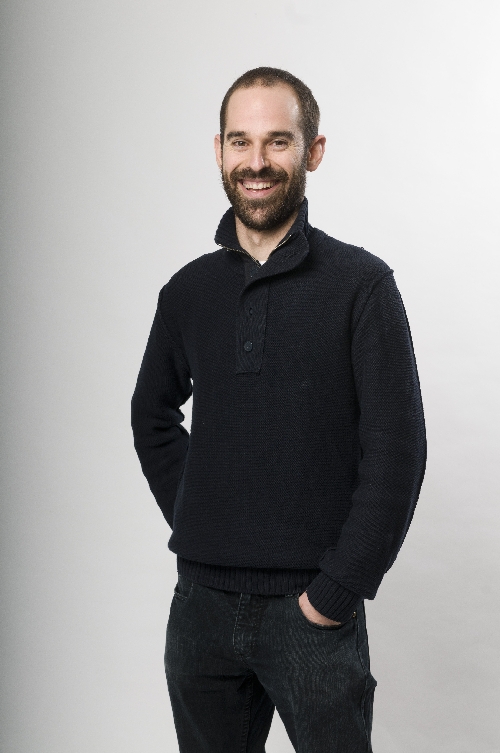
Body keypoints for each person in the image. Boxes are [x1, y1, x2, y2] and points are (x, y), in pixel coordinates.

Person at [131, 67, 426, 753]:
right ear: (219, 151)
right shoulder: (187, 292)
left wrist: (336, 591)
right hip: (200, 612)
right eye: (240, 141)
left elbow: (397, 451)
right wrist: (198, 516)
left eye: (278, 141)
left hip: (311, 615)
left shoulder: (362, 286)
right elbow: (151, 415)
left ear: (313, 151)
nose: (256, 161)